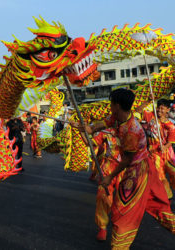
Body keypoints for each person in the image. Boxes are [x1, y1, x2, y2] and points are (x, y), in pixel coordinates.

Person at [73, 89, 175, 249]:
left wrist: (109, 176)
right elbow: (94, 129)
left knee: (123, 212)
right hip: (130, 167)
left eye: (111, 102)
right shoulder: (116, 118)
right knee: (155, 206)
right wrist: (81, 128)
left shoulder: (131, 130)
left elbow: (127, 159)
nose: (109, 105)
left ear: (117, 105)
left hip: (137, 172)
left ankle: (119, 245)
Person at [80, 128, 122, 241]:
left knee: (123, 201)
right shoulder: (106, 132)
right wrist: (81, 131)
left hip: (125, 169)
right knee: (102, 196)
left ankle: (121, 229)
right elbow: (90, 143)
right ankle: (102, 227)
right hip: (108, 168)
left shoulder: (132, 130)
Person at [138, 99, 175, 199]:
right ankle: (167, 196)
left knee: (173, 172)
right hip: (154, 152)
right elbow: (139, 111)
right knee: (160, 175)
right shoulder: (151, 117)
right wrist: (147, 101)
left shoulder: (170, 126)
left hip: (167, 153)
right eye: (158, 107)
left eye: (162, 108)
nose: (159, 110)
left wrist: (165, 147)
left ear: (168, 110)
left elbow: (170, 141)